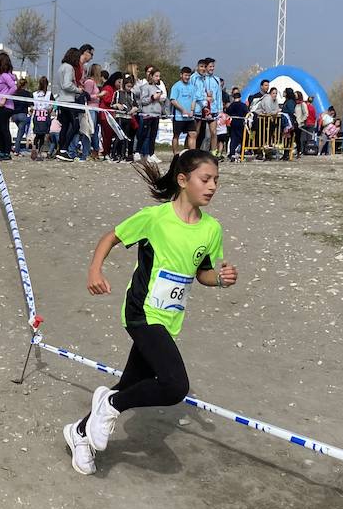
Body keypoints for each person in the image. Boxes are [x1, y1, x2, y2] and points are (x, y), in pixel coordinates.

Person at [64, 149, 237, 475]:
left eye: (216, 180)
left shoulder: (211, 230)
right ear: (183, 180)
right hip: (142, 313)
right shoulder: (155, 218)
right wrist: (95, 271)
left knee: (131, 382)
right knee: (174, 385)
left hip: (170, 319)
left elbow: (202, 274)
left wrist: (221, 280)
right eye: (205, 179)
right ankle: (110, 405)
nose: (212, 186)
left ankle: (81, 433)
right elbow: (111, 237)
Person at [53, 46, 90, 161]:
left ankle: (60, 150)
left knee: (64, 126)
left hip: (61, 100)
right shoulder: (69, 68)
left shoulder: (61, 67)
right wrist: (78, 90)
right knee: (75, 125)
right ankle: (64, 149)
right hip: (69, 101)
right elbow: (66, 84)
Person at [133, 66, 166, 159]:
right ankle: (138, 152)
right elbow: (143, 101)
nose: (158, 78)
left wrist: (160, 99)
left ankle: (151, 153)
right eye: (156, 76)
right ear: (151, 76)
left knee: (153, 135)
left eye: (159, 76)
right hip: (147, 114)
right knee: (143, 134)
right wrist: (152, 97)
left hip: (156, 115)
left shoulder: (158, 88)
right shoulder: (144, 87)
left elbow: (162, 100)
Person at [169, 66, 200, 156]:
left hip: (189, 117)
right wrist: (182, 110)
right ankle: (175, 154)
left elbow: (194, 100)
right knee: (176, 135)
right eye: (185, 75)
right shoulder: (176, 86)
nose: (187, 77)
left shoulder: (193, 87)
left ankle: (192, 154)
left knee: (193, 134)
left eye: (189, 76)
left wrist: (192, 110)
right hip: (179, 116)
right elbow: (173, 100)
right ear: (181, 75)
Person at [0, 52, 18, 159]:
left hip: (5, 106)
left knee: (3, 129)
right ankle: (3, 150)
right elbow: (1, 90)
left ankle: (6, 151)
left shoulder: (5, 76)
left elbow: (14, 87)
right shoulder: (1, 76)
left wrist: (5, 98)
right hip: (0, 106)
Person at [224, 88, 249, 160]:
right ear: (240, 97)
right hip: (241, 123)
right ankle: (242, 152)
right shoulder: (243, 105)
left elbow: (228, 111)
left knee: (233, 138)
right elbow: (246, 112)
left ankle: (232, 153)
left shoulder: (231, 105)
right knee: (242, 138)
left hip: (233, 122)